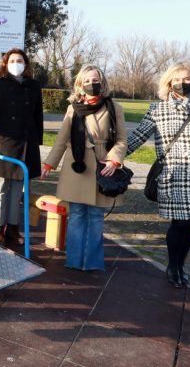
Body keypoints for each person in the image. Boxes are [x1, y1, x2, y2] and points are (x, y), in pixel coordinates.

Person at [126, 62, 190, 288]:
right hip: (174, 176)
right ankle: (173, 265)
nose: (183, 83)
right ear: (169, 83)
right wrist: (111, 155)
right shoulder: (157, 109)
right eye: (177, 79)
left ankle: (181, 265)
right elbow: (138, 137)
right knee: (179, 222)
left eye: (188, 79)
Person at [41, 65, 127, 271]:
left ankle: (92, 263)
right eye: (87, 81)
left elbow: (122, 140)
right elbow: (62, 139)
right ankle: (74, 261)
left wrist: (114, 160)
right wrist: (49, 163)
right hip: (76, 167)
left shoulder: (115, 108)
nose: (91, 84)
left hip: (102, 167)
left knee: (96, 217)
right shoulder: (73, 108)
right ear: (80, 84)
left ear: (103, 82)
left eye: (95, 80)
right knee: (77, 215)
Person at [0, 48, 43, 245]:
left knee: (17, 190)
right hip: (3, 144)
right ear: (5, 64)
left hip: (25, 144)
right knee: (1, 188)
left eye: (20, 60)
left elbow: (38, 115)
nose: (17, 63)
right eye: (13, 60)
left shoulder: (34, 86)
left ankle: (13, 227)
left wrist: (36, 142)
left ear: (26, 64)